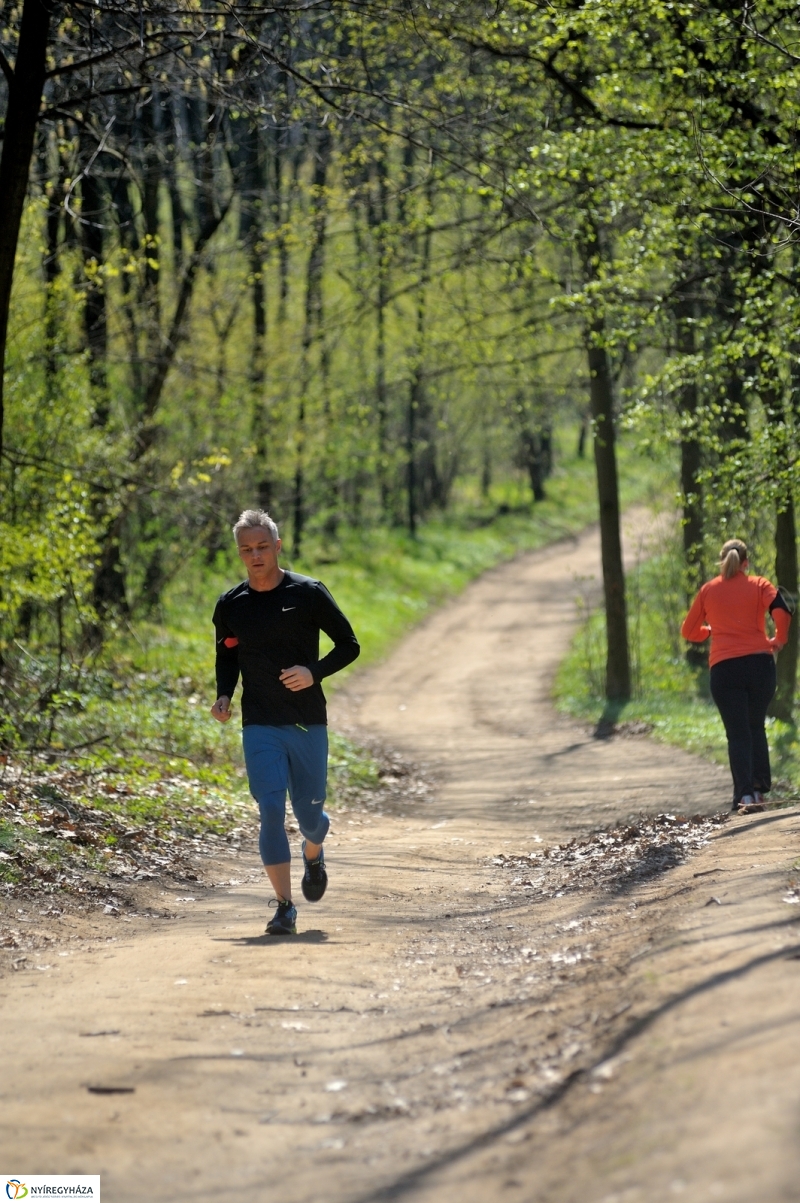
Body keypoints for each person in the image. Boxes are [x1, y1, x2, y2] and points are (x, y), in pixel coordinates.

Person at [210, 509, 360, 934]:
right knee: (271, 810)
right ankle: (284, 907)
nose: (255, 555)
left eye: (262, 547)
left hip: (306, 720)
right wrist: (224, 694)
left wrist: (314, 672)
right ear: (239, 553)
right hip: (259, 722)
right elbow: (227, 655)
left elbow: (349, 645)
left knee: (310, 818)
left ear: (277, 546)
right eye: (246, 549)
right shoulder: (231, 604)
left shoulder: (308, 592)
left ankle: (314, 852)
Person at [682, 538, 792, 815]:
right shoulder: (759, 584)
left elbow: (688, 631)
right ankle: (758, 789)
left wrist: (708, 632)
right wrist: (779, 638)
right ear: (746, 563)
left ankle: (744, 795)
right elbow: (782, 610)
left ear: (723, 561)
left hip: (725, 669)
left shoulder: (708, 590)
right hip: (759, 665)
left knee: (738, 733)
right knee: (756, 726)